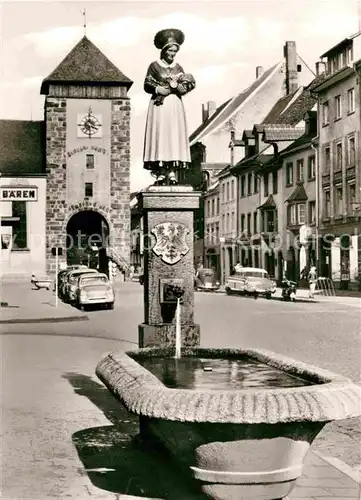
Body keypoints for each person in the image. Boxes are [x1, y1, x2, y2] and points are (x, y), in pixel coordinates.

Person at [143, 28, 196, 185]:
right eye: (170, 51)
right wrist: (159, 89)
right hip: (159, 105)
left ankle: (172, 172)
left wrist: (181, 87)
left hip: (174, 106)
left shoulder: (179, 68)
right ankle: (160, 172)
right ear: (164, 50)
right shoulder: (154, 66)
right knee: (160, 135)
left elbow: (185, 86)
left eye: (174, 51)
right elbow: (147, 84)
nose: (172, 54)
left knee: (173, 136)